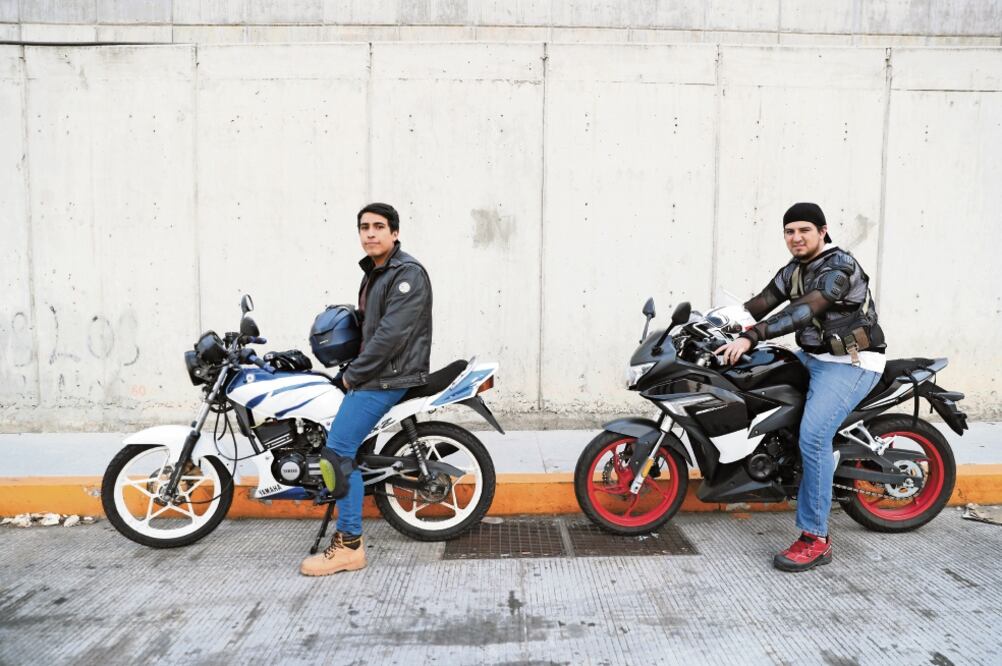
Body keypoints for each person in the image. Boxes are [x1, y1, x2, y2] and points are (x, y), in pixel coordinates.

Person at [715, 202, 886, 572]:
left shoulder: (839, 268)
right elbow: (757, 305)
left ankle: (816, 538)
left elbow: (802, 312)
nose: (796, 237)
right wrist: (710, 325)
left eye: (804, 230)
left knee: (812, 437)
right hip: (812, 357)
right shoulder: (794, 270)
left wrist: (751, 337)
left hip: (850, 363)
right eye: (789, 231)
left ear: (823, 231)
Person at [300, 202, 433, 576]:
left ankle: (350, 546)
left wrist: (352, 375)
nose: (370, 233)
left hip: (388, 377)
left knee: (338, 454)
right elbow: (369, 326)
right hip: (375, 373)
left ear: (395, 233)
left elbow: (391, 335)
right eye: (364, 227)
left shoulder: (407, 274)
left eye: (378, 227)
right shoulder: (375, 272)